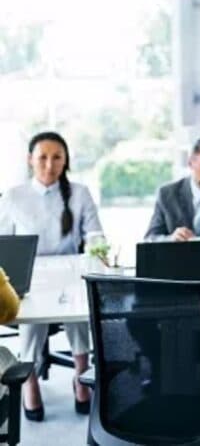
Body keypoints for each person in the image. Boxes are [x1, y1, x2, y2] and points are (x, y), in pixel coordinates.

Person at [0, 132, 101, 421]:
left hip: (71, 274)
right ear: (30, 159)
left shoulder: (79, 193)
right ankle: (30, 381)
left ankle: (81, 376)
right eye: (42, 157)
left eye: (57, 157)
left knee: (81, 314)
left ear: (65, 160)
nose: (49, 164)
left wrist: (97, 248)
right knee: (30, 320)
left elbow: (95, 234)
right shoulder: (14, 196)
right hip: (30, 277)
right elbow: (2, 243)